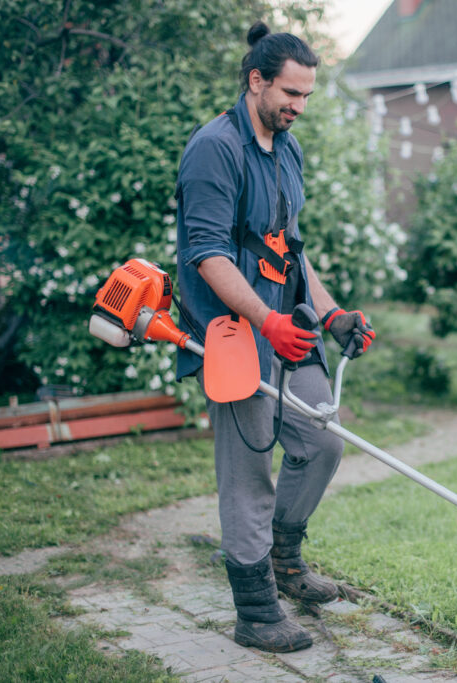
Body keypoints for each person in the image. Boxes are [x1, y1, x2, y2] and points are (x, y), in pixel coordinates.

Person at [174, 21, 375, 653]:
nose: (299, 106)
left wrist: (332, 313)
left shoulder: (287, 148)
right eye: (290, 93)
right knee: (248, 474)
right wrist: (267, 322)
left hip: (288, 328)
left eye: (308, 96)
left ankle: (286, 563)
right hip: (235, 333)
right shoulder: (216, 148)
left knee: (322, 441)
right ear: (256, 81)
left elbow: (288, 251)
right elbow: (207, 253)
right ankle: (256, 610)